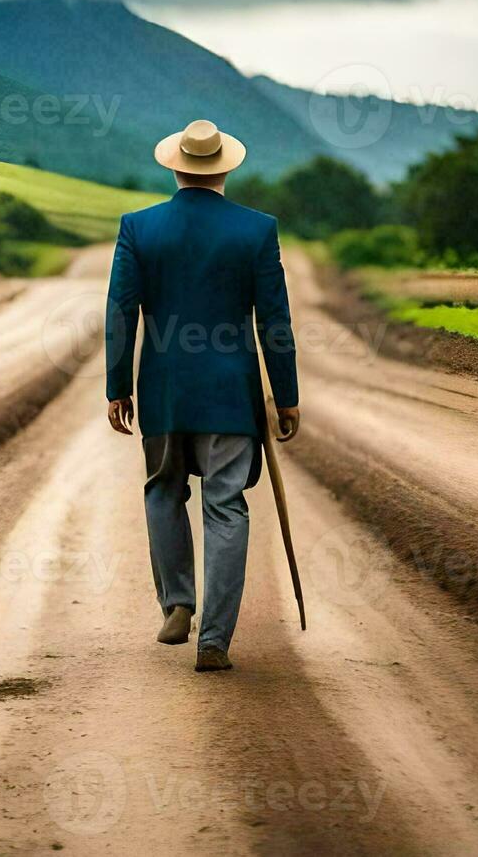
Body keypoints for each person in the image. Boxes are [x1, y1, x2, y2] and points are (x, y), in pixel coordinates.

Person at [104, 120, 300, 672]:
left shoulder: (138, 228)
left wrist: (118, 386)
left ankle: (177, 602)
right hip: (230, 397)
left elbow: (120, 313)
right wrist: (286, 395)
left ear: (174, 167)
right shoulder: (258, 230)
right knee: (226, 506)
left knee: (163, 491)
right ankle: (214, 639)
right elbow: (276, 321)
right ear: (226, 169)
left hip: (164, 392)